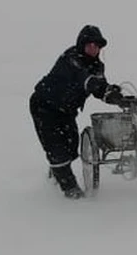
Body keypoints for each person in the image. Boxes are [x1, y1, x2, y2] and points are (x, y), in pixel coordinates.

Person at [29, 24, 127, 199]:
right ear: (81, 44)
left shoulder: (97, 66)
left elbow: (99, 87)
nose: (94, 48)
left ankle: (56, 170)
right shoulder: (71, 58)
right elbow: (86, 80)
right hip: (45, 106)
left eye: (97, 46)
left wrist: (114, 95)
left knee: (71, 146)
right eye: (90, 44)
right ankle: (69, 188)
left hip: (67, 110)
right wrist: (99, 87)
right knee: (57, 149)